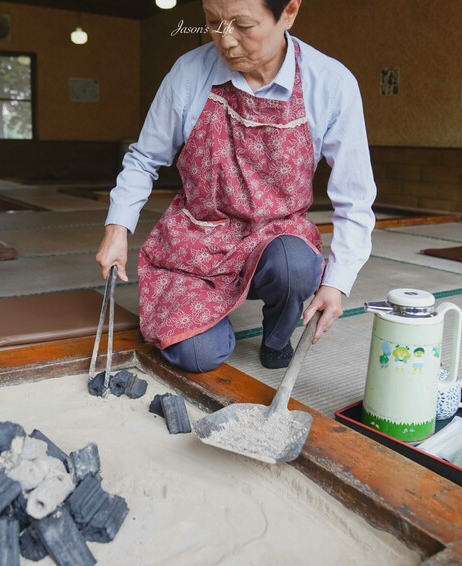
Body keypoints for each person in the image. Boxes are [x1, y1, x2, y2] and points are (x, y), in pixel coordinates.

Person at [96, 0, 375, 373]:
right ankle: (204, 320)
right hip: (198, 241)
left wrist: (337, 284)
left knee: (294, 267)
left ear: (289, 11)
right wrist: (117, 229)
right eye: (213, 22)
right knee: (195, 355)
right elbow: (144, 159)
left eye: (243, 26)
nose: (225, 41)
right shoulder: (189, 73)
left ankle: (277, 337)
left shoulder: (331, 83)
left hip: (276, 236)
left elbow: (354, 198)